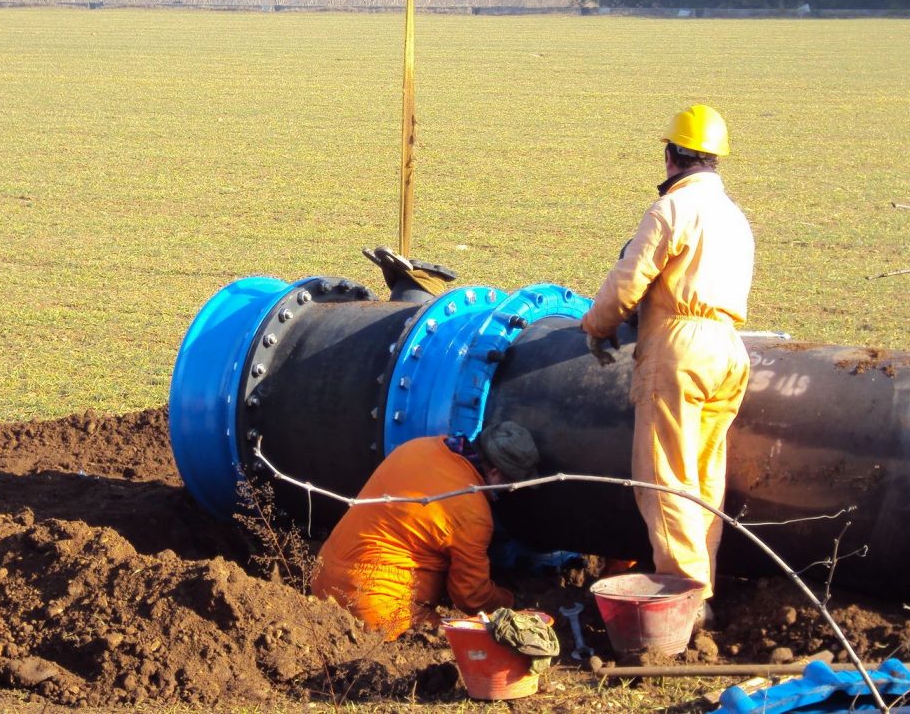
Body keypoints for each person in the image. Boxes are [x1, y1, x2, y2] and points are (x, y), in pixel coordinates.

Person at [580, 104, 754, 617]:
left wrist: (596, 326)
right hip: (729, 350)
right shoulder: (735, 217)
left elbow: (629, 280)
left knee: (664, 476)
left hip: (679, 346)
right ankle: (703, 587)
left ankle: (684, 594)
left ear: (670, 155)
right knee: (703, 476)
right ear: (716, 160)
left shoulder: (672, 210)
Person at [310, 421, 539, 639]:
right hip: (373, 606)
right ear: (496, 473)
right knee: (453, 643)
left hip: (322, 578)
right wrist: (510, 601)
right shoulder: (471, 512)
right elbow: (471, 596)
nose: (510, 490)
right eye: (511, 483)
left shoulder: (419, 446)